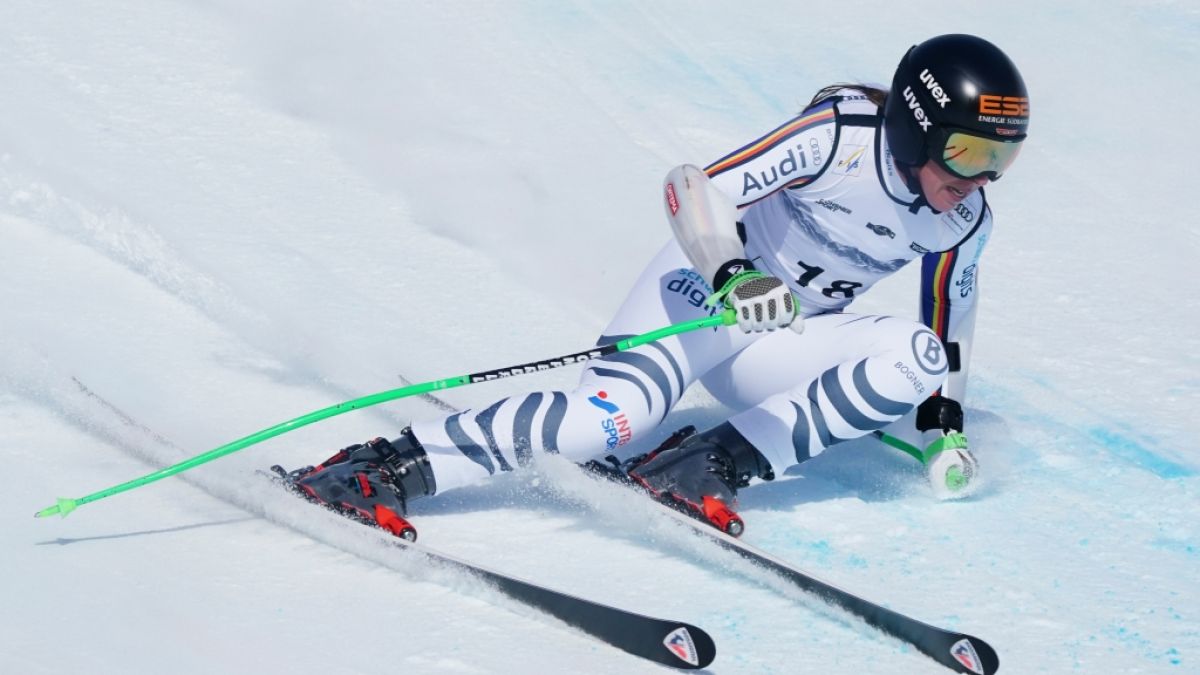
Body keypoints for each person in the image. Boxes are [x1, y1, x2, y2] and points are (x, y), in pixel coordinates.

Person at [280, 34, 1029, 537]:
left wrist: (942, 426)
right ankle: (386, 466)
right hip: (696, 300)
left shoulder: (962, 221)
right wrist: (733, 273)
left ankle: (710, 462)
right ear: (914, 128)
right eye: (964, 153)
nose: (977, 180)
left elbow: (950, 325)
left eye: (999, 161)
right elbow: (690, 186)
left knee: (918, 358)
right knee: (601, 426)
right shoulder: (837, 137)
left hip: (778, 343)